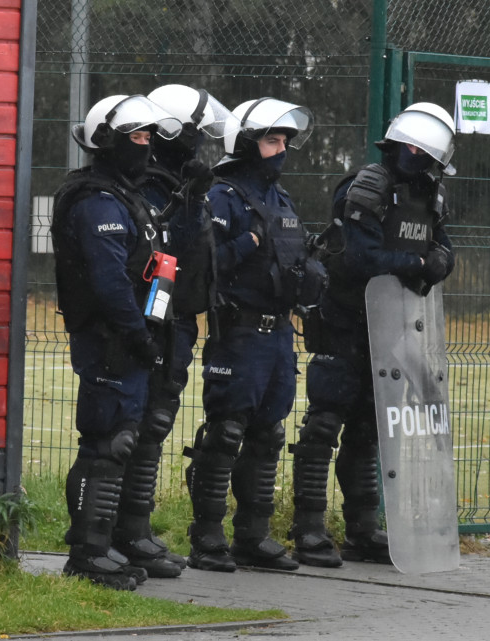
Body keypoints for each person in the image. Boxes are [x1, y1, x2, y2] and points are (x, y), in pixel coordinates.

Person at [289, 102, 457, 567]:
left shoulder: (428, 192)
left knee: (370, 430)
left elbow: (442, 244)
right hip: (345, 320)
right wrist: (420, 266)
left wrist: (439, 262)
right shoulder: (367, 187)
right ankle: (308, 528)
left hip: (392, 328)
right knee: (324, 423)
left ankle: (362, 530)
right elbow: (362, 258)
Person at [183, 97, 325, 572]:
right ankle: (206, 537)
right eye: (271, 140)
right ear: (246, 144)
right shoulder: (222, 196)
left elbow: (292, 258)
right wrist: (246, 243)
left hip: (279, 336)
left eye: (284, 140)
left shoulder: (280, 200)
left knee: (269, 435)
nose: (281, 149)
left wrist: (312, 275)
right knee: (225, 433)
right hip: (239, 334)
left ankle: (254, 535)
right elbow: (204, 267)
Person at [50, 94, 182, 590]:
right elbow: (108, 284)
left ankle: (111, 545)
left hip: (134, 337)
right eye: (137, 136)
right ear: (107, 140)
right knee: (107, 443)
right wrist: (138, 336)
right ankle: (87, 553)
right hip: (109, 340)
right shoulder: (94, 201)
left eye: (151, 137)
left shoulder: (131, 197)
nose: (146, 147)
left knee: (125, 441)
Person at [108, 84, 235, 579]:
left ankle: (136, 530)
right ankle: (120, 533)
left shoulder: (182, 180)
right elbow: (168, 248)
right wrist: (192, 197)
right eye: (195, 137)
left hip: (178, 320)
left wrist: (196, 193)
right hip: (151, 321)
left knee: (155, 424)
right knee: (133, 427)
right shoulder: (149, 185)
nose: (201, 148)